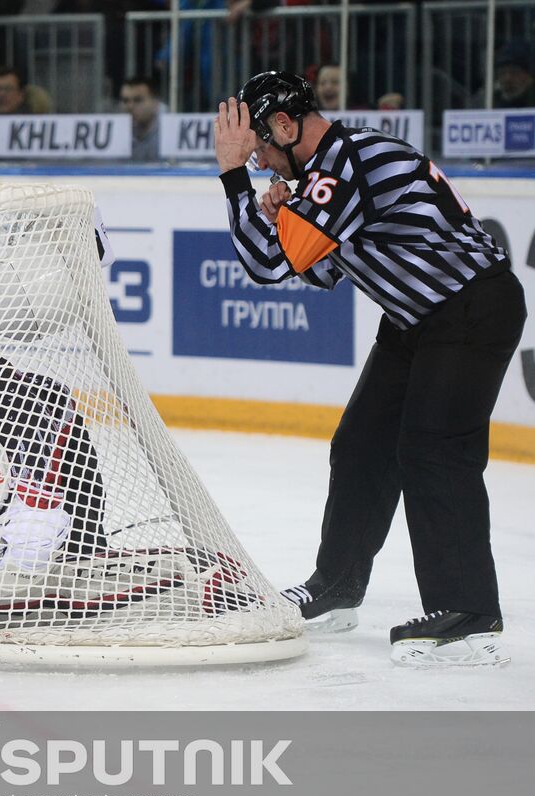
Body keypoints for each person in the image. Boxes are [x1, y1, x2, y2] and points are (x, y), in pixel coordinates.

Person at [214, 71, 526, 667]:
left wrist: (233, 180)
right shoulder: (325, 172)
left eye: (257, 145)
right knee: (362, 446)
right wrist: (283, 213)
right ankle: (336, 587)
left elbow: (267, 267)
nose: (255, 158)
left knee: (434, 449)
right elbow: (317, 271)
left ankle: (468, 610)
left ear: (284, 125)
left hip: (467, 308)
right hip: (417, 320)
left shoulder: (348, 157)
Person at [119, 74, 162, 162]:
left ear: (155, 103)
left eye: (138, 100)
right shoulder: (116, 131)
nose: (130, 106)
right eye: (125, 101)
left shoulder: (169, 131)